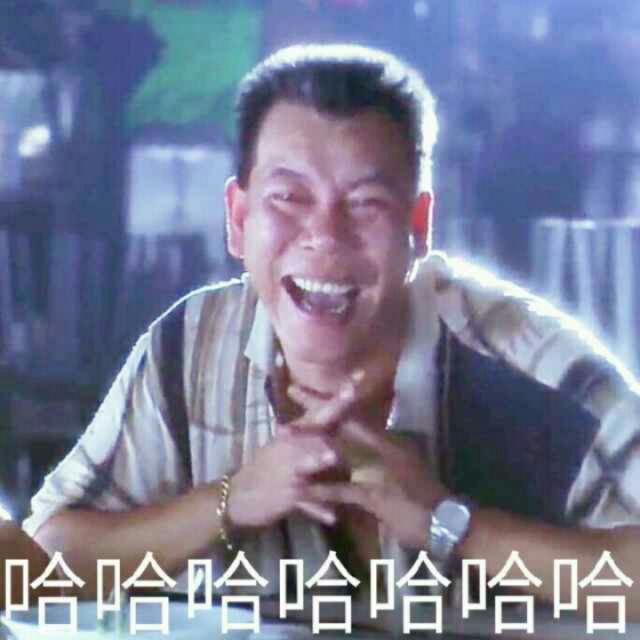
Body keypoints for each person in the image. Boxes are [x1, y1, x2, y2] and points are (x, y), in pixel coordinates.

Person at [25, 44, 640, 617]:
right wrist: (228, 501)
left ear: (419, 225)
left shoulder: (524, 364)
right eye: (288, 198)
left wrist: (454, 524)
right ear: (238, 219)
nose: (325, 236)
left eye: (366, 203)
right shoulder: (190, 347)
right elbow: (46, 558)